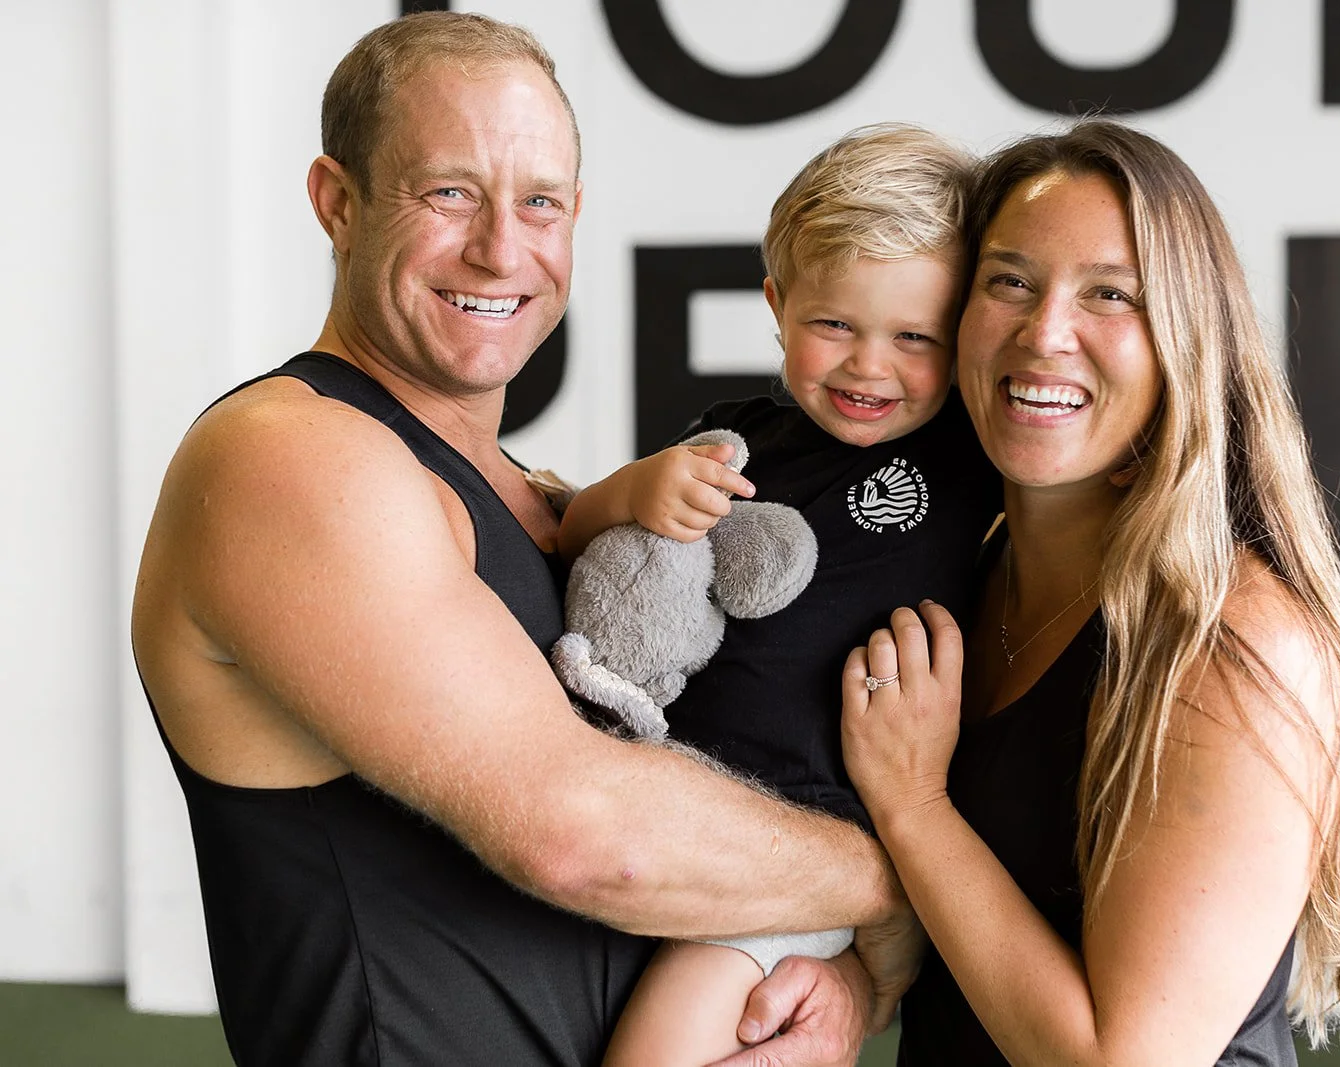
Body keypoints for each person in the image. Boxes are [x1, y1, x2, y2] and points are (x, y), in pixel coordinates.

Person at [129, 12, 919, 1067]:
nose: (503, 247)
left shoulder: (540, 496)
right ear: (338, 201)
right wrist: (901, 879)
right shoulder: (293, 458)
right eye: (448, 191)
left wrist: (828, 976)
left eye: (538, 201)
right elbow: (586, 836)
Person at [830, 121, 1340, 1065]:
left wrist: (913, 805)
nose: (1044, 331)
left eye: (1111, 294)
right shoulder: (953, 581)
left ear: (1185, 343)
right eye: (1010, 281)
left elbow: (1118, 1060)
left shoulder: (1232, 642)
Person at [548, 125, 1000, 1066]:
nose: (870, 366)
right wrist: (632, 493)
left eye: (915, 337)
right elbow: (578, 537)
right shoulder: (733, 434)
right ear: (777, 305)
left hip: (805, 852)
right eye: (834, 324)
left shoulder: (973, 460)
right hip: (670, 812)